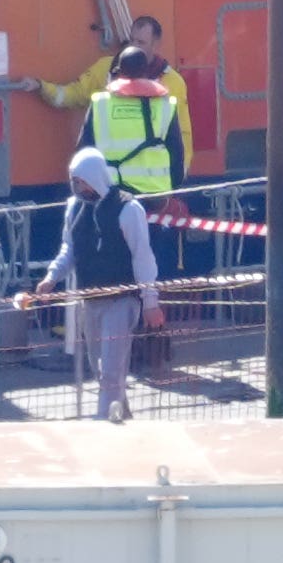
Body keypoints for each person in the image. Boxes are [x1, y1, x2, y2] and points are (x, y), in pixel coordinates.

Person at [30, 147, 163, 423]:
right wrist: (51, 277)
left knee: (111, 367)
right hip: (89, 301)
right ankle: (122, 416)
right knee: (98, 366)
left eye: (81, 180)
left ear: (94, 177)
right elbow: (69, 248)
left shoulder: (129, 209)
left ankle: (104, 422)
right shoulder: (74, 208)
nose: (77, 186)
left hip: (122, 300)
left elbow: (143, 258)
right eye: (74, 181)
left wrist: (150, 302)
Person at [24, 16, 196, 160]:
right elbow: (73, 94)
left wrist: (179, 176)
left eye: (141, 42)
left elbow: (183, 135)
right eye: (132, 40)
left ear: (155, 44)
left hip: (152, 182)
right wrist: (42, 87)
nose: (134, 46)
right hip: (112, 179)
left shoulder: (173, 83)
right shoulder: (104, 69)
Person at [75, 46, 185, 196]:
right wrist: (174, 186)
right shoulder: (166, 105)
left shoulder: (99, 104)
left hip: (111, 194)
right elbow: (176, 152)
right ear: (147, 72)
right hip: (155, 194)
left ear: (119, 72)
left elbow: (84, 151)